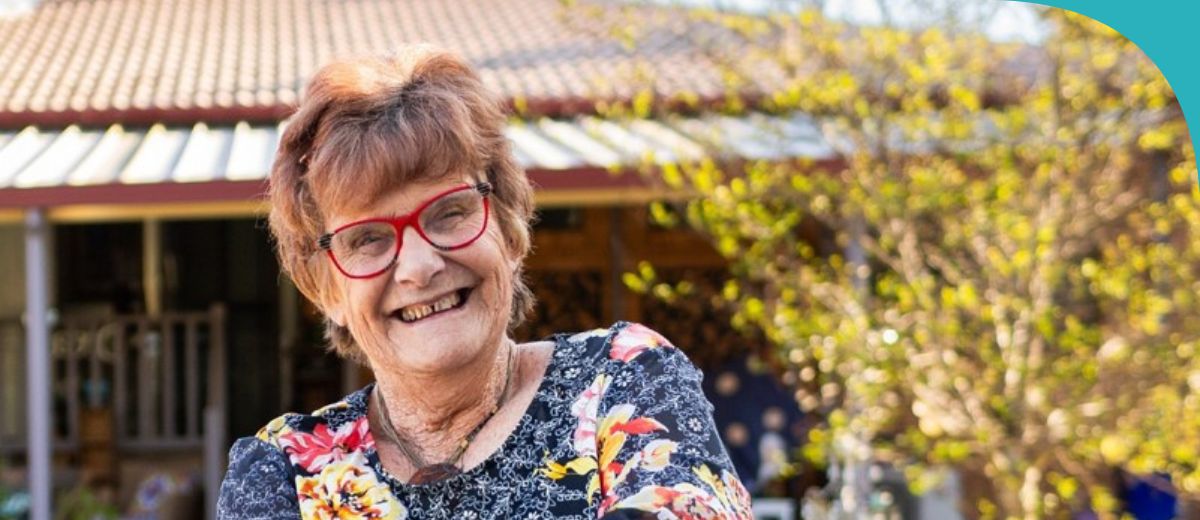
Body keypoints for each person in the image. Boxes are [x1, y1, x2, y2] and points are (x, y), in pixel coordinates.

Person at [216, 45, 752, 519]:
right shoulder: (286, 473)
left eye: (449, 212)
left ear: (510, 229)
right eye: (369, 239)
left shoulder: (622, 383)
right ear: (326, 290)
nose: (420, 266)